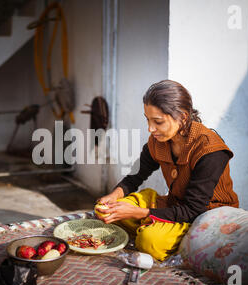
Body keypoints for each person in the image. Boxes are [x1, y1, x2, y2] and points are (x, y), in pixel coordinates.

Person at [95, 80, 239, 261]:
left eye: (158, 122)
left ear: (183, 117)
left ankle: (154, 229)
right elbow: (136, 175)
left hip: (206, 215)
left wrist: (138, 213)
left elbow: (193, 210)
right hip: (176, 205)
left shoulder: (210, 150)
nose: (150, 128)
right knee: (111, 210)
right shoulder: (158, 140)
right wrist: (114, 195)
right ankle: (149, 223)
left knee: (149, 242)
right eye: (147, 120)